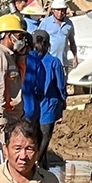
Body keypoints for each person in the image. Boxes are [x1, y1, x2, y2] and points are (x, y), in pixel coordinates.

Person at [0, 13, 30, 141]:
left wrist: (22, 54)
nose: (21, 41)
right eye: (19, 37)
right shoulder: (0, 56)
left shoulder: (10, 56)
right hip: (2, 121)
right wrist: (0, 117)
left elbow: (19, 80)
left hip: (12, 118)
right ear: (9, 36)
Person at [26, 30, 66, 170]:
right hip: (49, 103)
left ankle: (41, 164)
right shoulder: (54, 62)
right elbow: (60, 85)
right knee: (45, 136)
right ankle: (37, 163)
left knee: (33, 135)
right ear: (48, 44)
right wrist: (63, 99)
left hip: (30, 105)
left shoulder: (27, 60)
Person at [37, 0, 78, 70]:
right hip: (48, 62)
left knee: (62, 81)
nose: (60, 13)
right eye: (58, 10)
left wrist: (75, 57)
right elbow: (38, 40)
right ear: (53, 10)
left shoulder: (69, 24)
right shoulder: (46, 23)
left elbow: (72, 42)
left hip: (63, 63)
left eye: (62, 10)